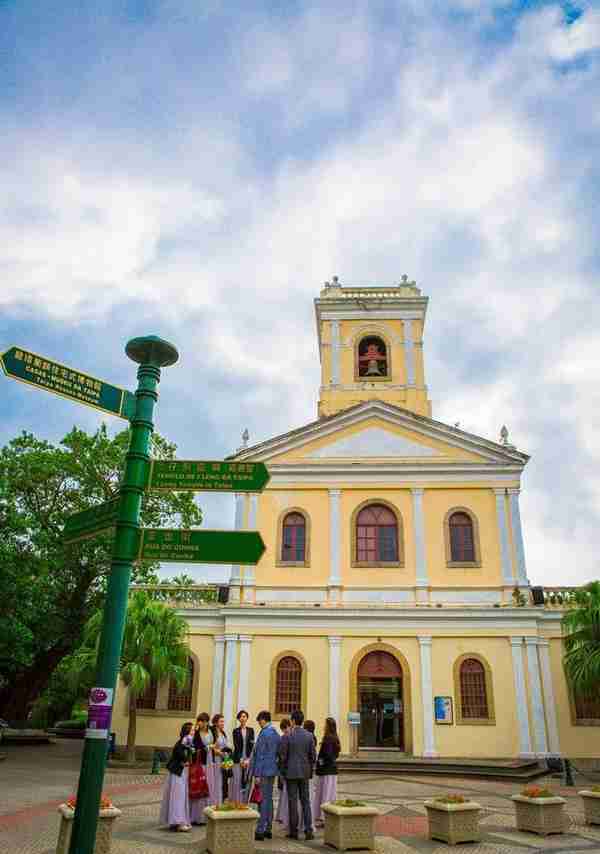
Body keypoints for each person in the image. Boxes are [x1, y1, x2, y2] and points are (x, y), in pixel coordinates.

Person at [279, 709, 316, 841]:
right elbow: (313, 756)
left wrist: (282, 772)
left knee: (292, 802)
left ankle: (294, 831)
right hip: (304, 773)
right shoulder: (309, 736)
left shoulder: (288, 736)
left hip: (291, 773)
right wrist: (309, 768)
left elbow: (283, 756)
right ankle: (308, 830)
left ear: (293, 721)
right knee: (306, 801)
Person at [250, 710, 281, 841]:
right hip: (272, 770)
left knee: (263, 800)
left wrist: (256, 773)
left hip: (263, 771)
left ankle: (260, 830)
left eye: (259, 721)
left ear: (263, 720)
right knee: (269, 799)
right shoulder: (275, 733)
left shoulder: (264, 733)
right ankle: (268, 828)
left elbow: (260, 755)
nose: (259, 723)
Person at [159, 722, 194, 832]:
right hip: (177, 773)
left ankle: (175, 821)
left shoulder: (187, 742)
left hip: (181, 772)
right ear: (187, 732)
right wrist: (185, 760)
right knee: (178, 797)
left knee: (180, 796)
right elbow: (179, 753)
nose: (194, 732)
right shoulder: (183, 741)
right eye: (192, 730)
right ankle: (178, 822)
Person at [312, 717, 341, 826]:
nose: (323, 726)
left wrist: (320, 762)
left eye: (325, 724)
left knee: (325, 794)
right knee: (330, 793)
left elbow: (327, 755)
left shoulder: (328, 738)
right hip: (332, 770)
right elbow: (336, 754)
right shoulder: (335, 738)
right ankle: (328, 816)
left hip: (326, 770)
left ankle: (323, 817)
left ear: (328, 726)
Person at [189, 713, 213, 824]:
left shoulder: (211, 731)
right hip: (200, 763)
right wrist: (207, 747)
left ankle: (206, 814)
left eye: (204, 721)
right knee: (199, 785)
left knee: (207, 786)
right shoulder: (196, 734)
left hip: (210, 761)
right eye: (200, 721)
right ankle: (196, 816)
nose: (202, 723)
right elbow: (196, 747)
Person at [231, 709, 255, 803]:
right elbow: (236, 745)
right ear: (238, 719)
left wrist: (248, 759)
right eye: (241, 716)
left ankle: (245, 801)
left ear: (247, 718)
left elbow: (252, 745)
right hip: (238, 758)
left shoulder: (251, 730)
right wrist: (241, 760)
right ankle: (237, 801)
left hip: (248, 758)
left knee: (247, 779)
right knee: (238, 779)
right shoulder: (235, 731)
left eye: (244, 716)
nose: (243, 718)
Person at [209, 713, 231, 805]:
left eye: (223, 721)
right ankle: (213, 801)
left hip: (223, 760)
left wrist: (228, 752)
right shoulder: (212, 732)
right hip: (215, 759)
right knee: (216, 780)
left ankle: (220, 800)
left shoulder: (223, 732)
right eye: (221, 721)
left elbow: (225, 745)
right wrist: (220, 753)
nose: (223, 723)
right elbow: (211, 746)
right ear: (215, 722)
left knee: (222, 781)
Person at [276, 718, 291, 828]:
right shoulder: (289, 737)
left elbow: (280, 755)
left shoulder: (283, 738)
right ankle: (282, 815)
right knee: (285, 793)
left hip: (283, 768)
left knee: (283, 793)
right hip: (287, 769)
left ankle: (281, 815)